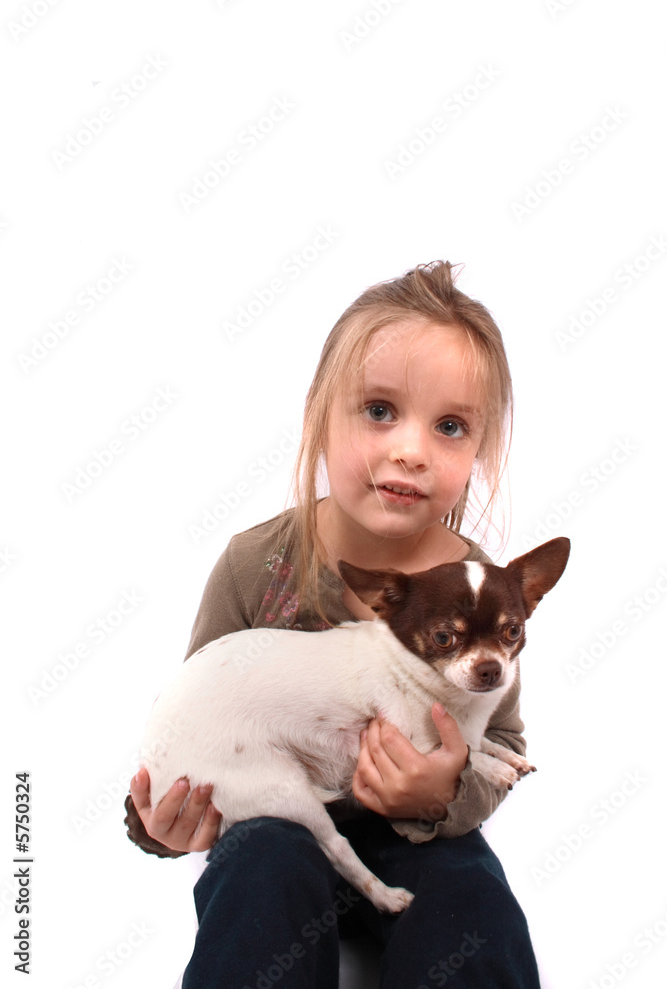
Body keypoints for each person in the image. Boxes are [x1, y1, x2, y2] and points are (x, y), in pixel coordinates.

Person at [125, 260, 542, 987]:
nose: (409, 449)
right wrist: (156, 824)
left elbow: (501, 742)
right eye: (379, 410)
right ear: (320, 413)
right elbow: (198, 712)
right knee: (259, 880)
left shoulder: (484, 593)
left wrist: (440, 795)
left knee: (475, 907)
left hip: (421, 835)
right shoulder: (257, 565)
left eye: (448, 426)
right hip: (271, 824)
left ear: (478, 449)